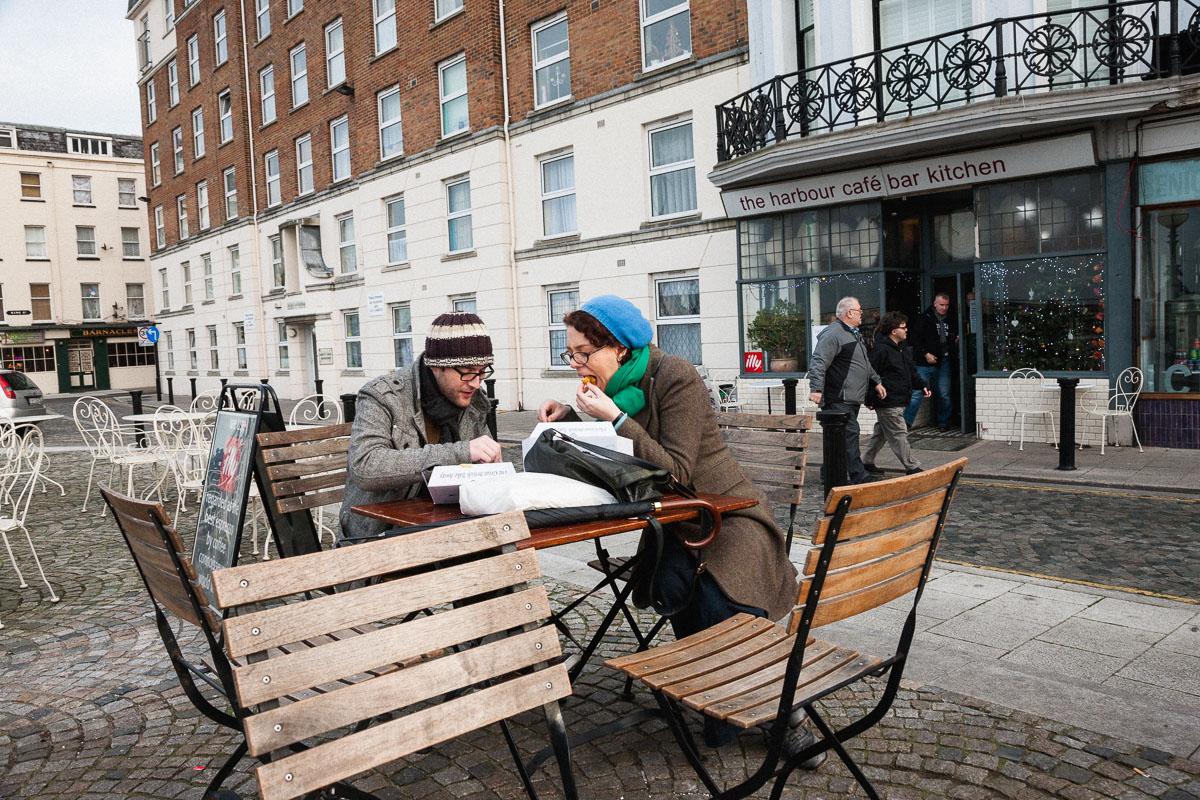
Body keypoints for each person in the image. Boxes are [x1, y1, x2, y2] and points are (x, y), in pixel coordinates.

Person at [537, 295, 819, 764]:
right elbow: (615, 456)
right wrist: (569, 420)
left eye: (584, 353)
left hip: (727, 515)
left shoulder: (675, 377)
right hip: (671, 525)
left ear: (620, 349)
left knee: (715, 595)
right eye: (571, 354)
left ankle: (777, 707)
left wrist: (617, 418)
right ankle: (741, 699)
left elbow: (679, 472)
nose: (577, 364)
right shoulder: (614, 389)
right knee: (670, 584)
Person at [341, 311, 503, 541]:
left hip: (450, 530)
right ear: (436, 366)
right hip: (382, 535)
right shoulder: (383, 395)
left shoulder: (473, 401)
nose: (476, 383)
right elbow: (365, 466)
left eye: (482, 371)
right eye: (467, 373)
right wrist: (461, 452)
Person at [807, 296, 886, 485]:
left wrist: (876, 381)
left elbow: (863, 363)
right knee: (850, 435)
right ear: (849, 313)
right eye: (859, 311)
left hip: (850, 397)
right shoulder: (833, 333)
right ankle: (859, 476)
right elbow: (818, 361)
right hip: (838, 397)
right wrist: (816, 388)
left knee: (838, 438)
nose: (862, 314)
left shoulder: (852, 333)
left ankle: (829, 474)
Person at [863, 311, 929, 476]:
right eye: (903, 327)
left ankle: (867, 462)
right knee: (899, 433)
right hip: (888, 400)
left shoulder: (901, 348)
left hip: (898, 399)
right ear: (894, 331)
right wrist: (869, 398)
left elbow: (911, 371)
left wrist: (922, 385)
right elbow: (871, 375)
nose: (907, 330)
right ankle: (912, 467)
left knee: (881, 433)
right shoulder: (881, 350)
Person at [906, 292, 958, 430]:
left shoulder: (952, 318)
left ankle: (944, 423)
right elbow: (914, 339)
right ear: (935, 304)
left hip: (944, 360)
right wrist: (925, 354)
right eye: (941, 305)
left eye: (946, 305)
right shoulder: (924, 318)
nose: (944, 308)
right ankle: (906, 422)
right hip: (923, 363)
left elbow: (954, 334)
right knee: (917, 393)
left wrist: (955, 339)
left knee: (944, 394)